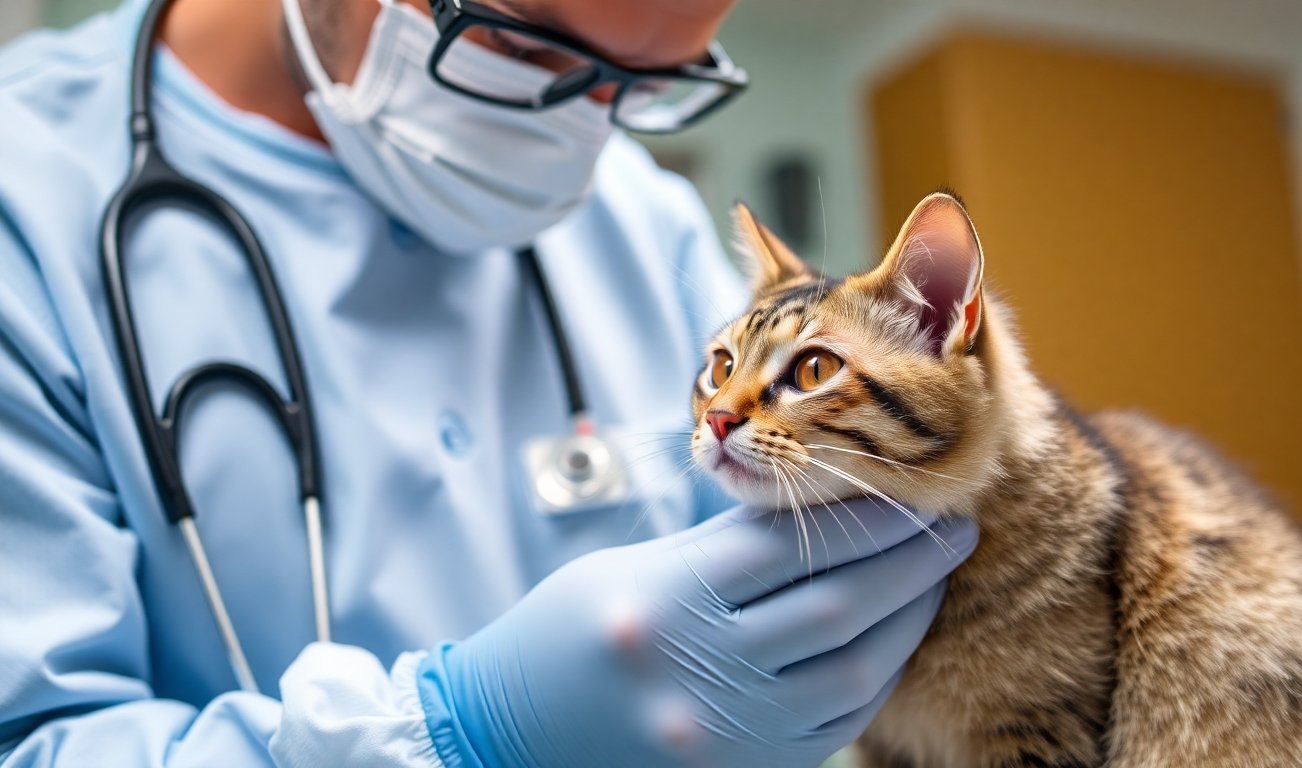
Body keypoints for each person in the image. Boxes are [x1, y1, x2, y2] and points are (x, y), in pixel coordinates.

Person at [0, 0, 978, 765]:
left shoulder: (646, 224)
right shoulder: (28, 200)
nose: (583, 134)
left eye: (643, 82)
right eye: (519, 45)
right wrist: (461, 739)